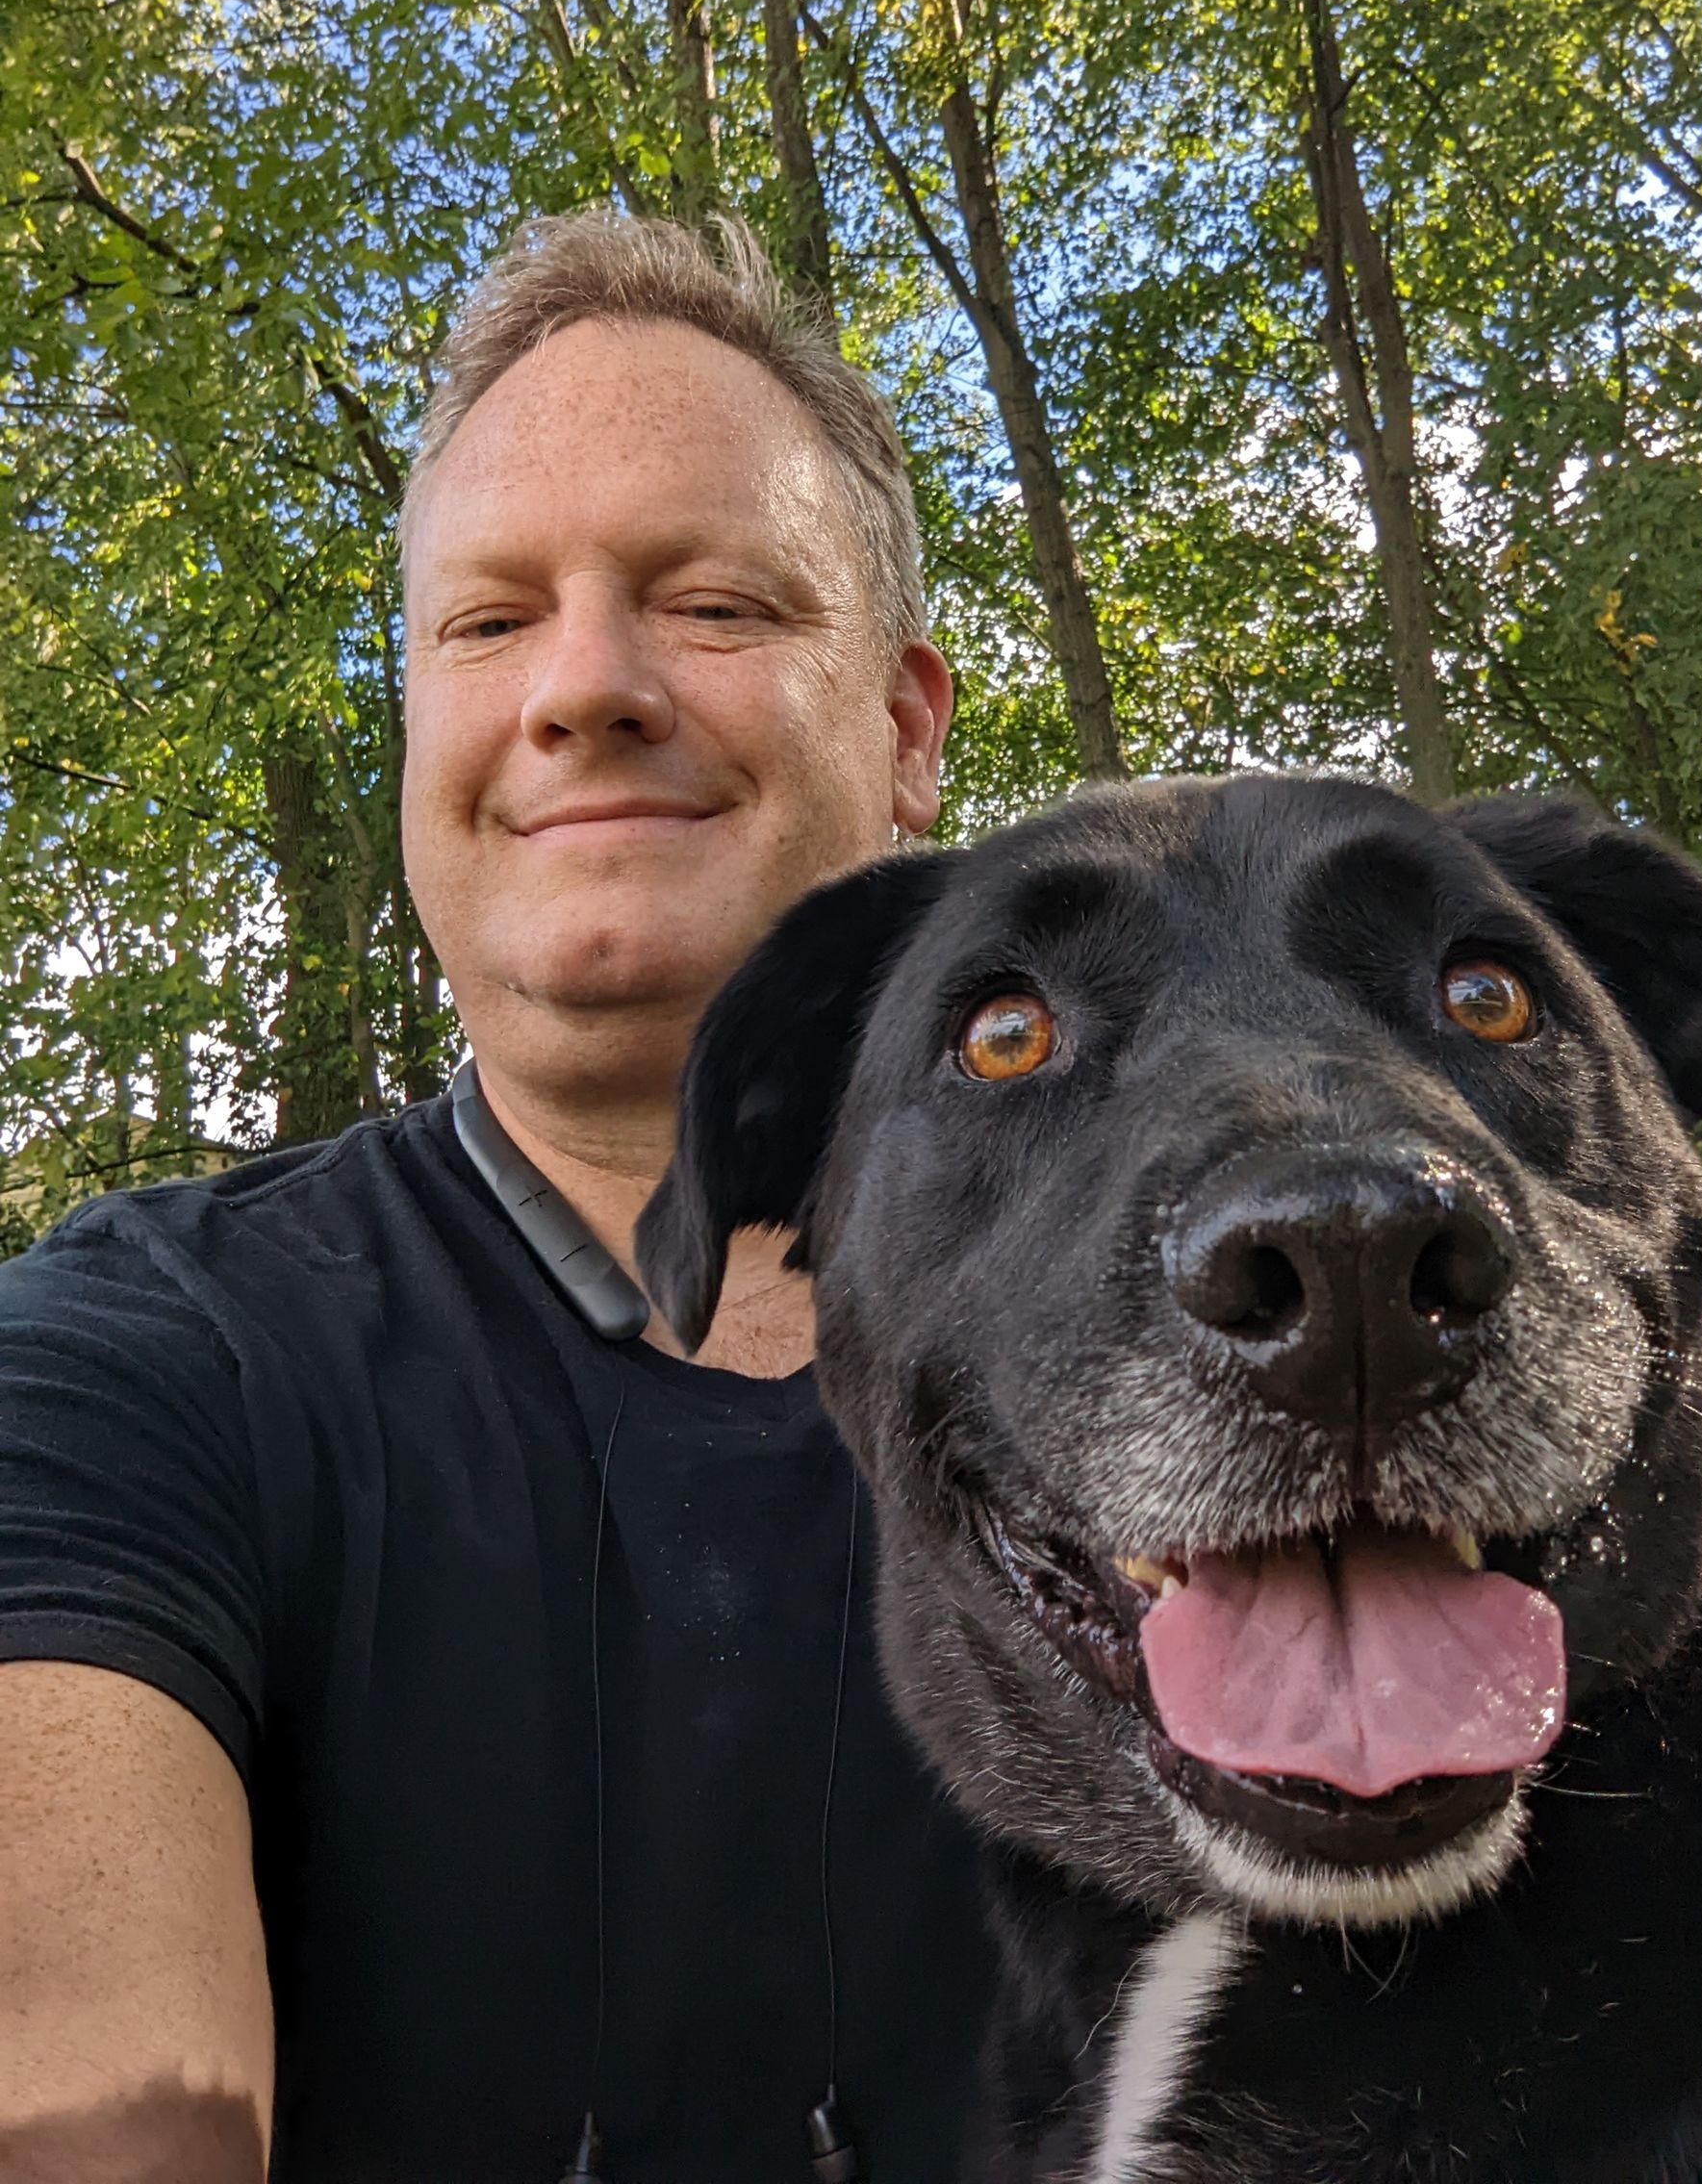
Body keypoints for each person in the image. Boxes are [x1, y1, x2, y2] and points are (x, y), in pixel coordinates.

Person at [0, 214, 995, 2182]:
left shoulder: (1251, 1309)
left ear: (900, 727)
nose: (585, 686)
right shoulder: (135, 1366)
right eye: (485, 621)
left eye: (710, 602)